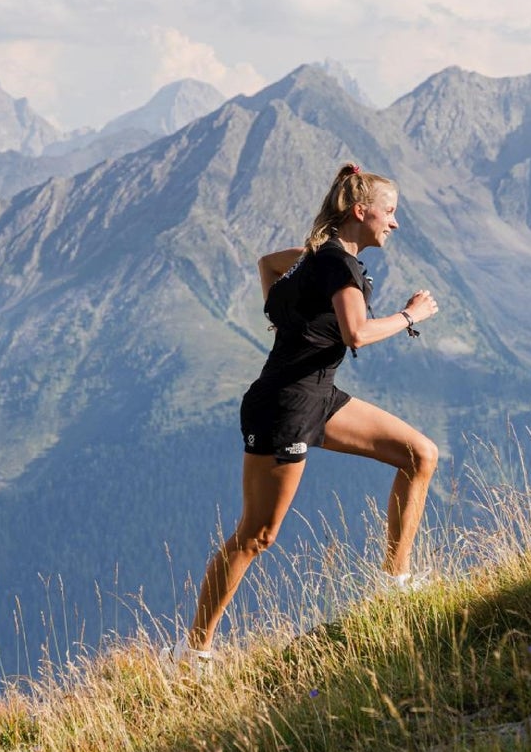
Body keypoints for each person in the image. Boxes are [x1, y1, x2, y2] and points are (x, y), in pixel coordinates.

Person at [172, 164, 441, 663]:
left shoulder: (316, 257)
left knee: (419, 454)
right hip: (284, 407)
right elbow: (355, 334)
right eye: (390, 212)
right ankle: (194, 653)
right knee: (257, 534)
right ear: (361, 212)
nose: (395, 223)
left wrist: (287, 320)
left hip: (318, 396)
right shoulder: (338, 266)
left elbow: (267, 266)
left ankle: (396, 581)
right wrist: (411, 316)